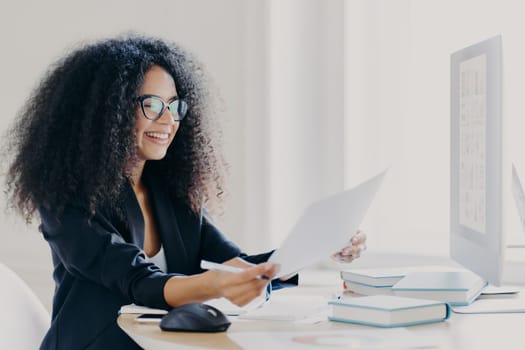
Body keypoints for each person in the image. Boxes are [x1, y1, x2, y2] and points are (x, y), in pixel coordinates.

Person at [3, 35, 366, 349]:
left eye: (175, 105)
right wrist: (216, 285)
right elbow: (139, 282)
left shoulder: (171, 192)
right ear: (105, 112)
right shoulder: (65, 200)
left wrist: (318, 246)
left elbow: (233, 263)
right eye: (152, 105)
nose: (169, 120)